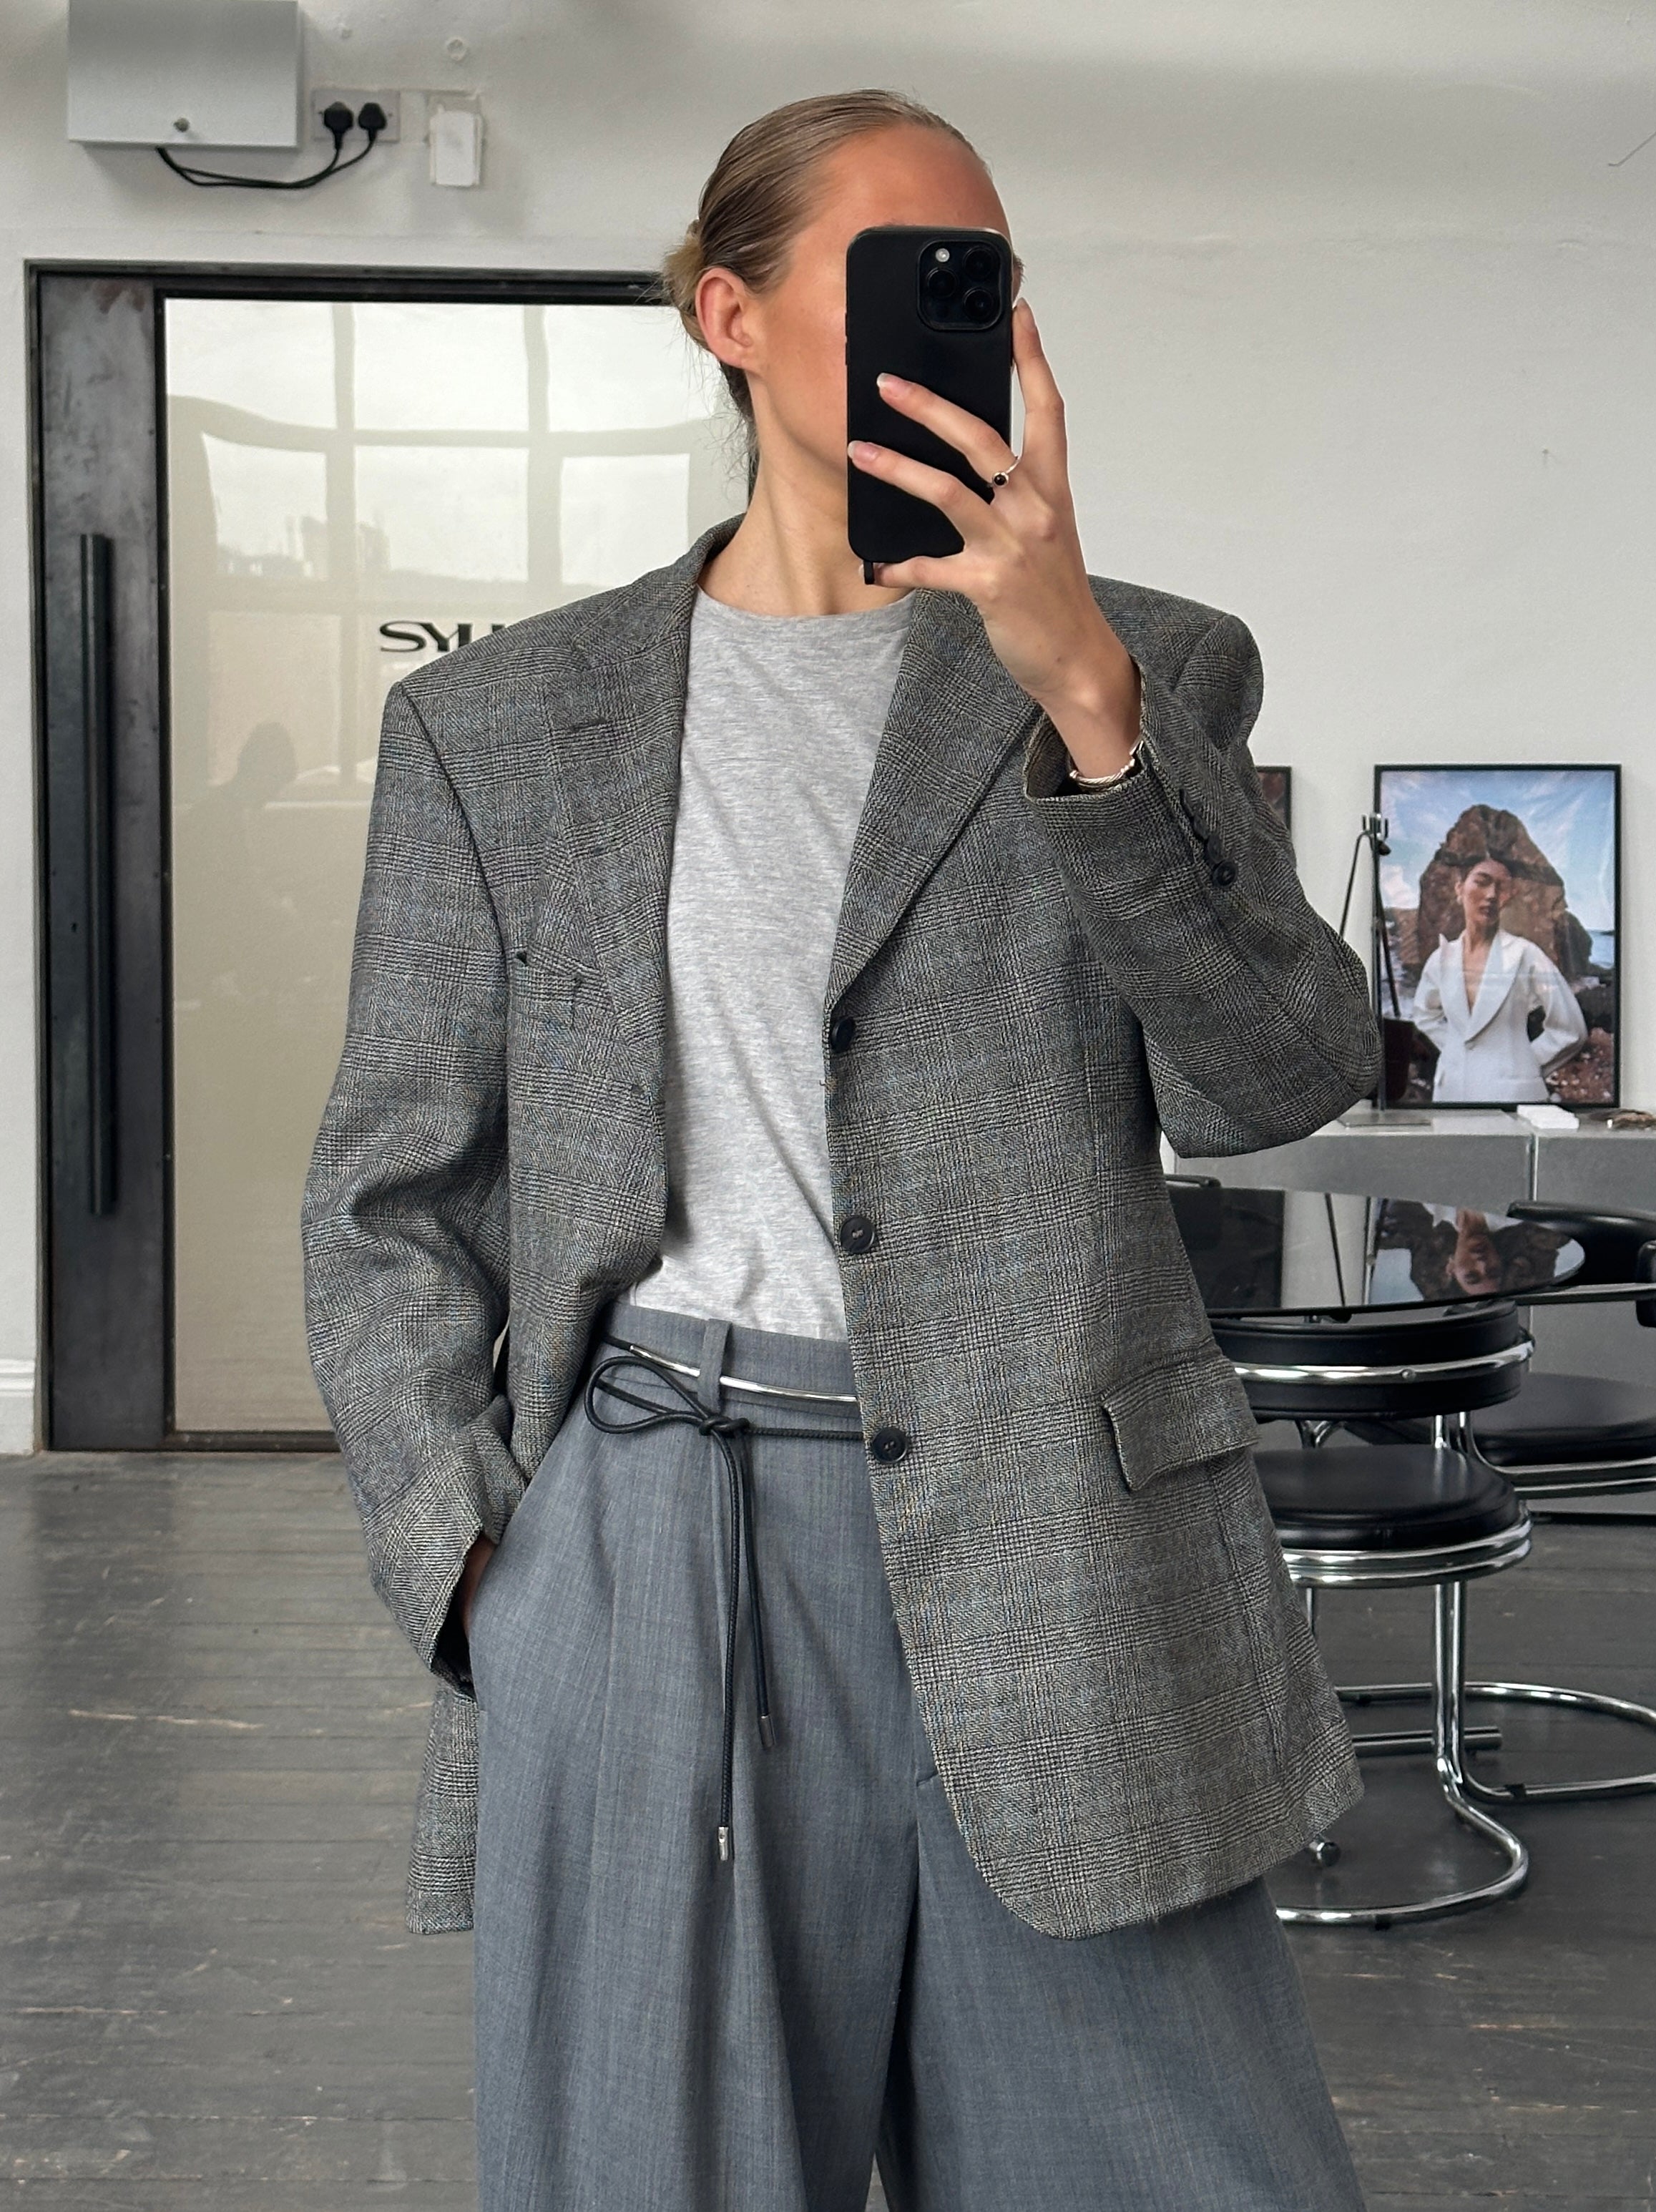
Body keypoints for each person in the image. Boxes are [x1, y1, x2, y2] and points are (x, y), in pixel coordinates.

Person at [302, 89, 1380, 2212]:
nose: (949, 321)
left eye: (981, 278)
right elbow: (387, 1200)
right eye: (895, 274)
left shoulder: (1146, 661)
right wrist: (483, 1573)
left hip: (1066, 1544)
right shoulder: (501, 726)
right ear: (727, 316)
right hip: (648, 1547)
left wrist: (1076, 684)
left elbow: (1276, 1072)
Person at [1410, 851, 1587, 1104]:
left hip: (1513, 1096)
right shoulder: (1441, 959)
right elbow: (1425, 1014)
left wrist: (1524, 1063)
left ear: (1509, 896)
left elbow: (1570, 1029)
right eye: (1482, 882)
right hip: (1452, 1092)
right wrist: (1456, 1050)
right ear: (1460, 888)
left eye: (1501, 887)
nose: (1492, 895)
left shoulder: (1526, 955)